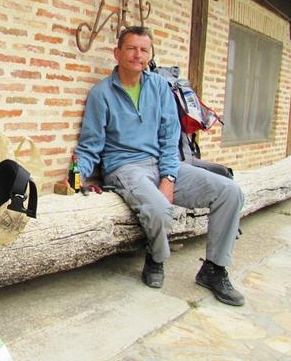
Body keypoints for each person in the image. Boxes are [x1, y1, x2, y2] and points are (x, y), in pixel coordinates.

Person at [75, 26, 245, 306]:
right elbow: (90, 144)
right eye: (131, 48)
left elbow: (170, 138)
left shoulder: (159, 87)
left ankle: (214, 269)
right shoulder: (101, 94)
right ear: (117, 53)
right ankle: (156, 258)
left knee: (230, 192)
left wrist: (168, 176)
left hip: (162, 163)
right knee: (159, 209)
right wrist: (76, 175)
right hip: (125, 168)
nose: (138, 55)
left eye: (144, 50)